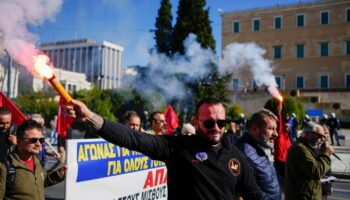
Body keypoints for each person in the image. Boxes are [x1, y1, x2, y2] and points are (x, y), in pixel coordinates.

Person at [66, 98, 266, 200]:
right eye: (209, 123)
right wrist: (91, 118)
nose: (216, 127)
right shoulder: (178, 147)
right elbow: (133, 138)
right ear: (196, 123)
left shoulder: (236, 157)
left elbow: (254, 195)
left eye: (221, 122)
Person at [0, 120, 66, 199]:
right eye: (33, 140)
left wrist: (59, 173)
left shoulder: (37, 160)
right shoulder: (5, 166)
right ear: (19, 141)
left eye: (41, 140)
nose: (38, 144)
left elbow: (40, 182)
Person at [236, 109, 280, 200]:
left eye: (275, 129)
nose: (276, 134)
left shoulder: (257, 146)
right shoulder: (243, 152)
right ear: (255, 129)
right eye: (271, 128)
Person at [285, 122, 333, 200]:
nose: (322, 140)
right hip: (303, 196)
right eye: (320, 136)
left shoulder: (308, 147)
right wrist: (326, 155)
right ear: (307, 134)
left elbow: (311, 170)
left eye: (324, 137)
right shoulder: (300, 149)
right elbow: (316, 172)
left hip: (310, 194)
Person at [273, 117, 291, 188]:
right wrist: (279, 114)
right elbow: (279, 125)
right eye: (286, 126)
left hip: (286, 163)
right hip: (279, 162)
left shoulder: (288, 138)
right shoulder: (280, 135)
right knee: (279, 184)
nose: (288, 128)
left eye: (289, 127)